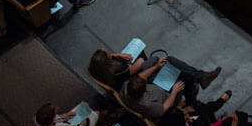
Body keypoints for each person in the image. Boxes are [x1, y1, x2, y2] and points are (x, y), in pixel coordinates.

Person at [88, 46, 220, 93]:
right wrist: (150, 64)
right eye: (107, 53)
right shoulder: (120, 70)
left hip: (127, 79)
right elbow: (138, 65)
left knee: (142, 54)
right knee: (168, 60)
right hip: (136, 80)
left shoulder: (99, 70)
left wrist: (117, 55)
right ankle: (201, 77)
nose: (108, 51)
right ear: (107, 62)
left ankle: (196, 79)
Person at [32, 102, 100, 126]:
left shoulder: (39, 118)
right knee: (96, 113)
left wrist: (65, 116)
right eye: (55, 113)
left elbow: (56, 119)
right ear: (51, 120)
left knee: (85, 104)